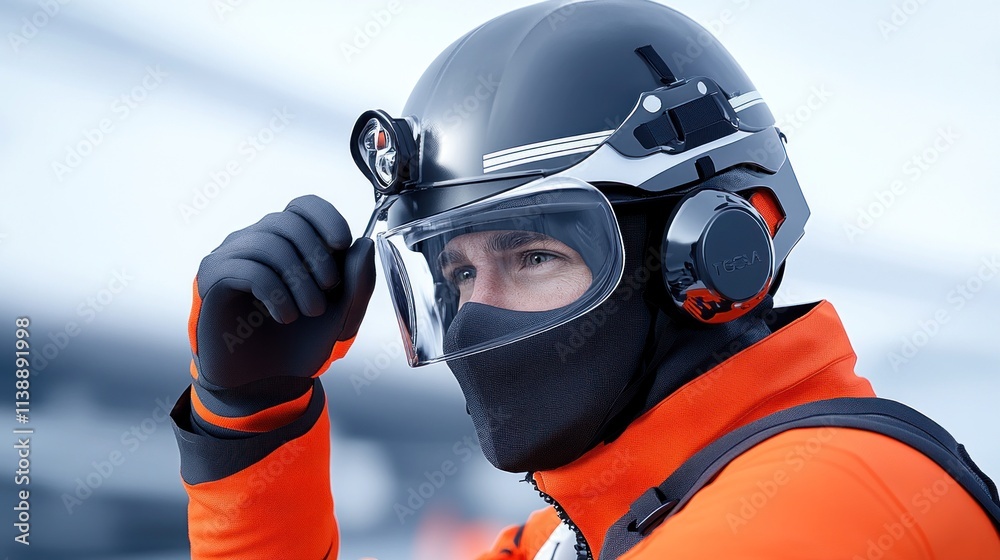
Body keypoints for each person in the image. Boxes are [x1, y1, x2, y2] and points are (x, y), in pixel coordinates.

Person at [170, 1, 1000, 558]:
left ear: (710, 254)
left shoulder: (830, 502)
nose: (469, 322)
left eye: (534, 257)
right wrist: (250, 424)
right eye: (453, 273)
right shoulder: (579, 534)